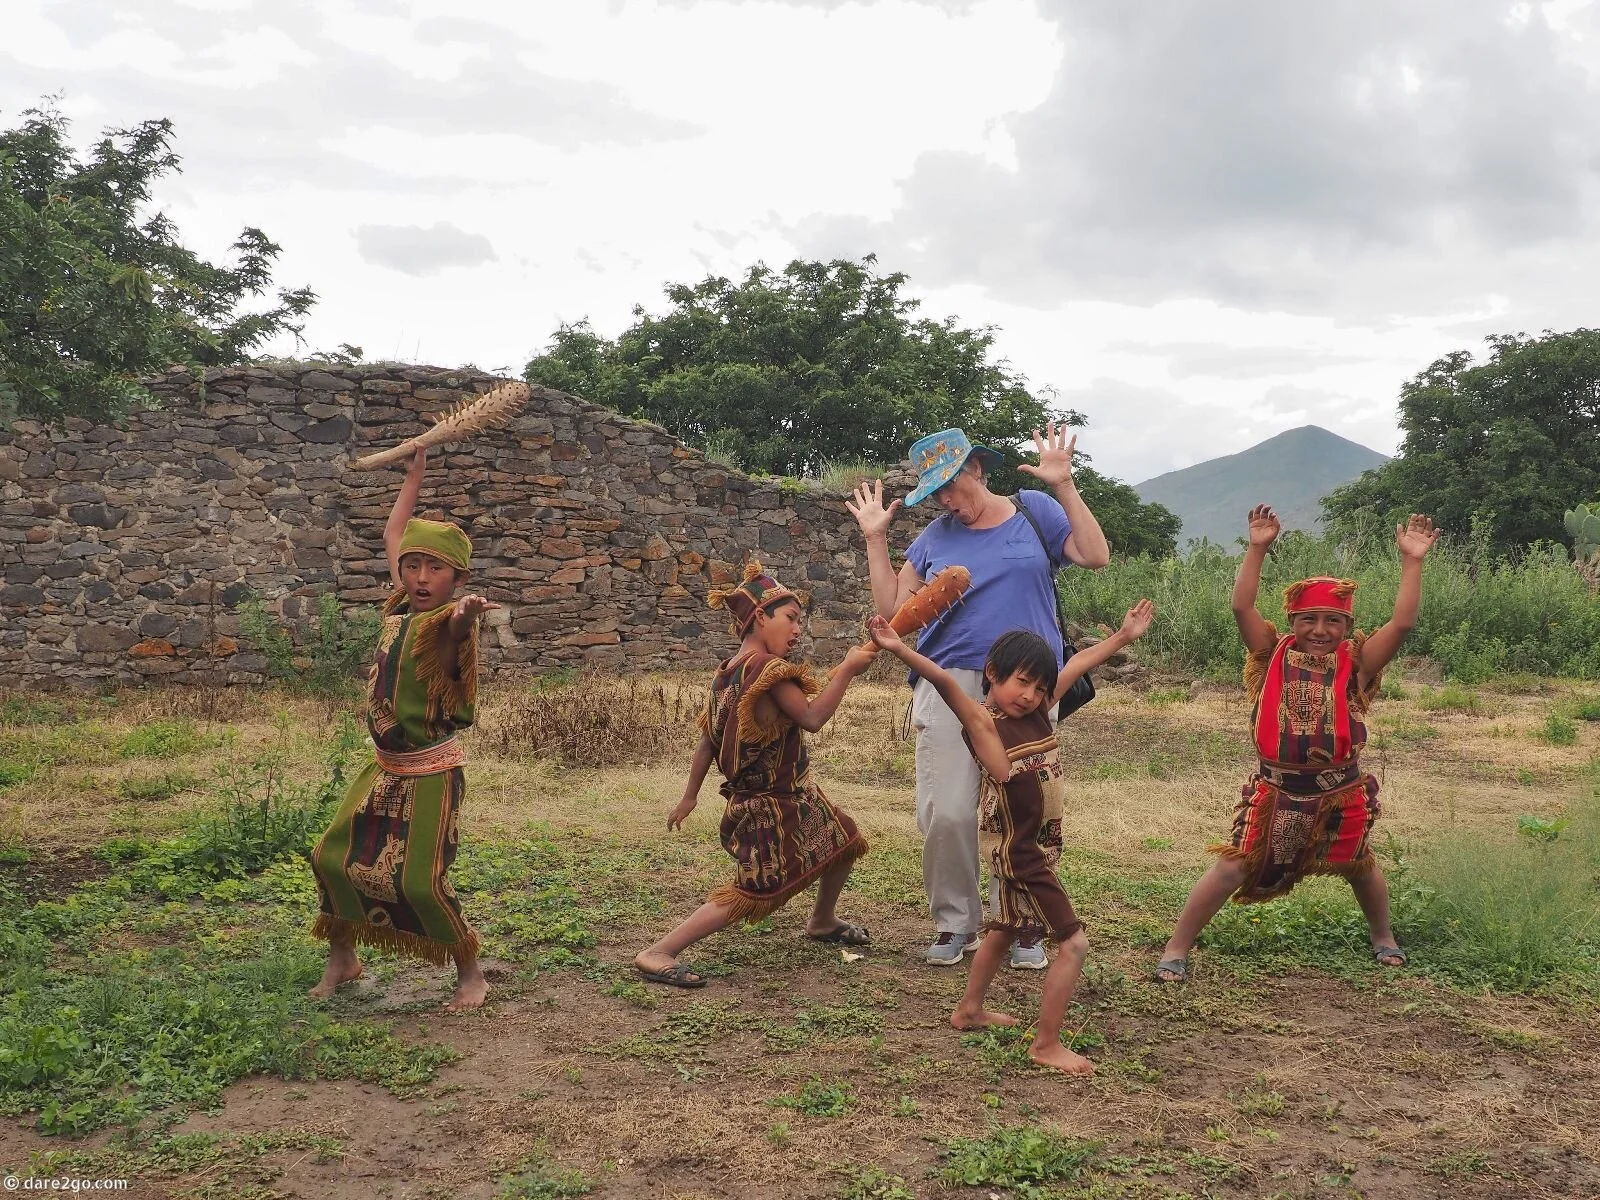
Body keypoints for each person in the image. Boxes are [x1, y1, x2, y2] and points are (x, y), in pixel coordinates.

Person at [847, 424, 1111, 968]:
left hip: (1028, 685)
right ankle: (954, 923)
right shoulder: (933, 539)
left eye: (950, 486)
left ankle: (1021, 925)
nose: (944, 500)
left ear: (976, 471)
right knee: (946, 811)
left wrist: (1065, 485)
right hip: (948, 682)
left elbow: (1094, 555)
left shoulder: (1034, 511)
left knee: (1023, 811)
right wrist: (876, 538)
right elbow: (894, 613)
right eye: (934, 493)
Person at [1154, 505, 1441, 984]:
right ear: (1293, 621)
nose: (1320, 631)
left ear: (1347, 627)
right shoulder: (1270, 653)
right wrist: (1257, 548)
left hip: (1340, 791)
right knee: (1232, 866)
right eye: (1309, 619)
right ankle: (1177, 945)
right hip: (1277, 791)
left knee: (1359, 865)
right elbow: (1242, 608)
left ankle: (1383, 937)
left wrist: (1412, 562)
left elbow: (1403, 625)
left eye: (1333, 621)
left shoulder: (1360, 662)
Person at [869, 600, 1155, 1073]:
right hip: (1022, 854)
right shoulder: (984, 724)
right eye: (1021, 681)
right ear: (993, 675)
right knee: (1075, 943)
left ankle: (970, 1010)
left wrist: (1124, 637)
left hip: (1038, 847)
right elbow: (942, 679)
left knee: (1003, 929)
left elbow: (1078, 662)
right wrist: (898, 647)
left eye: (1039, 686)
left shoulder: (1041, 711)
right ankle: (1046, 1044)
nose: (1029, 694)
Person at [309, 447, 499, 1012]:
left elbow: (458, 628)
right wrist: (413, 476)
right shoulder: (401, 605)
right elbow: (394, 531)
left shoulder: (446, 626)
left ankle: (471, 973)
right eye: (413, 565)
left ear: (456, 577)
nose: (419, 576)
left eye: (434, 568)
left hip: (432, 773)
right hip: (385, 766)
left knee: (420, 881)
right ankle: (343, 958)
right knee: (331, 857)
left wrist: (466, 613)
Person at [634, 560, 878, 988]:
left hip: (792, 794)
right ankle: (659, 951)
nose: (798, 629)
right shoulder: (768, 670)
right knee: (752, 892)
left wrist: (691, 795)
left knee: (845, 839)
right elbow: (813, 718)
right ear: (759, 618)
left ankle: (822, 921)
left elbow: (707, 741)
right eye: (790, 618)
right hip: (769, 803)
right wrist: (847, 670)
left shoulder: (726, 672)